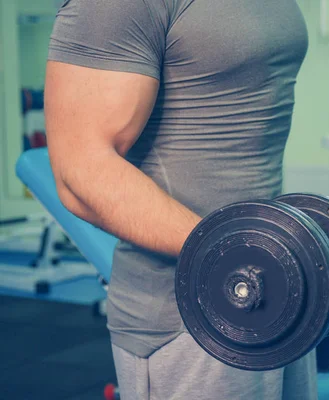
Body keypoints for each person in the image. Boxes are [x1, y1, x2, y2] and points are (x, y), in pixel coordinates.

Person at [44, 0, 314, 398]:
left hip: (278, 290)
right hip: (190, 316)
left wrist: (275, 262)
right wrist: (235, 256)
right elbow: (81, 170)